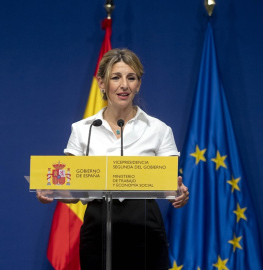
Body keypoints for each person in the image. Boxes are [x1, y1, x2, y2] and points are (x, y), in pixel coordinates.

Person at [37, 48, 189, 269]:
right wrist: (52, 191)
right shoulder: (82, 130)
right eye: (115, 77)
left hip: (144, 224)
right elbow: (72, 191)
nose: (123, 85)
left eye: (131, 78)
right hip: (98, 226)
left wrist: (180, 193)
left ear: (138, 84)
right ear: (101, 82)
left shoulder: (159, 130)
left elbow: (170, 184)